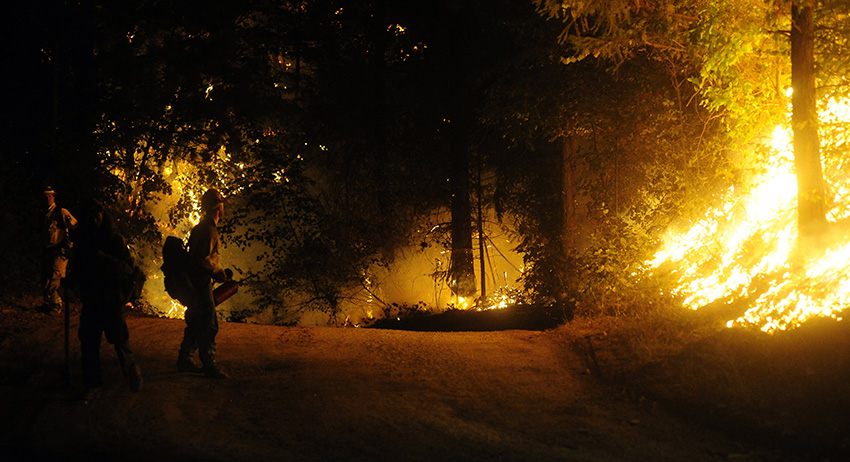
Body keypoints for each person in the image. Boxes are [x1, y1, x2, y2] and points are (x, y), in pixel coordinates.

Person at [70, 199, 142, 399]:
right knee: (89, 343)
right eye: (90, 217)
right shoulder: (83, 241)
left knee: (119, 340)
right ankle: (91, 383)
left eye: (97, 216)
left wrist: (103, 258)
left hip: (112, 299)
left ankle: (131, 370)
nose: (94, 220)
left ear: (103, 215)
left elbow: (127, 269)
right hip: (91, 299)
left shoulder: (115, 240)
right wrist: (70, 282)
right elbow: (78, 267)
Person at [177, 188, 230, 379]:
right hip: (201, 283)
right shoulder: (209, 231)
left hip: (193, 282)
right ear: (219, 207)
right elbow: (203, 260)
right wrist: (218, 272)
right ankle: (209, 364)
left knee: (195, 321)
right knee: (209, 323)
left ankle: (185, 359)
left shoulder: (199, 228)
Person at [41, 185, 77, 314]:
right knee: (46, 278)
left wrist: (69, 245)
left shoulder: (61, 212)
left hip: (60, 250)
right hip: (48, 250)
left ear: (53, 197)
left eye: (49, 196)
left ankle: (56, 305)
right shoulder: (44, 213)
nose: (47, 199)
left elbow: (74, 227)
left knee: (55, 278)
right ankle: (49, 303)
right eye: (45, 196)